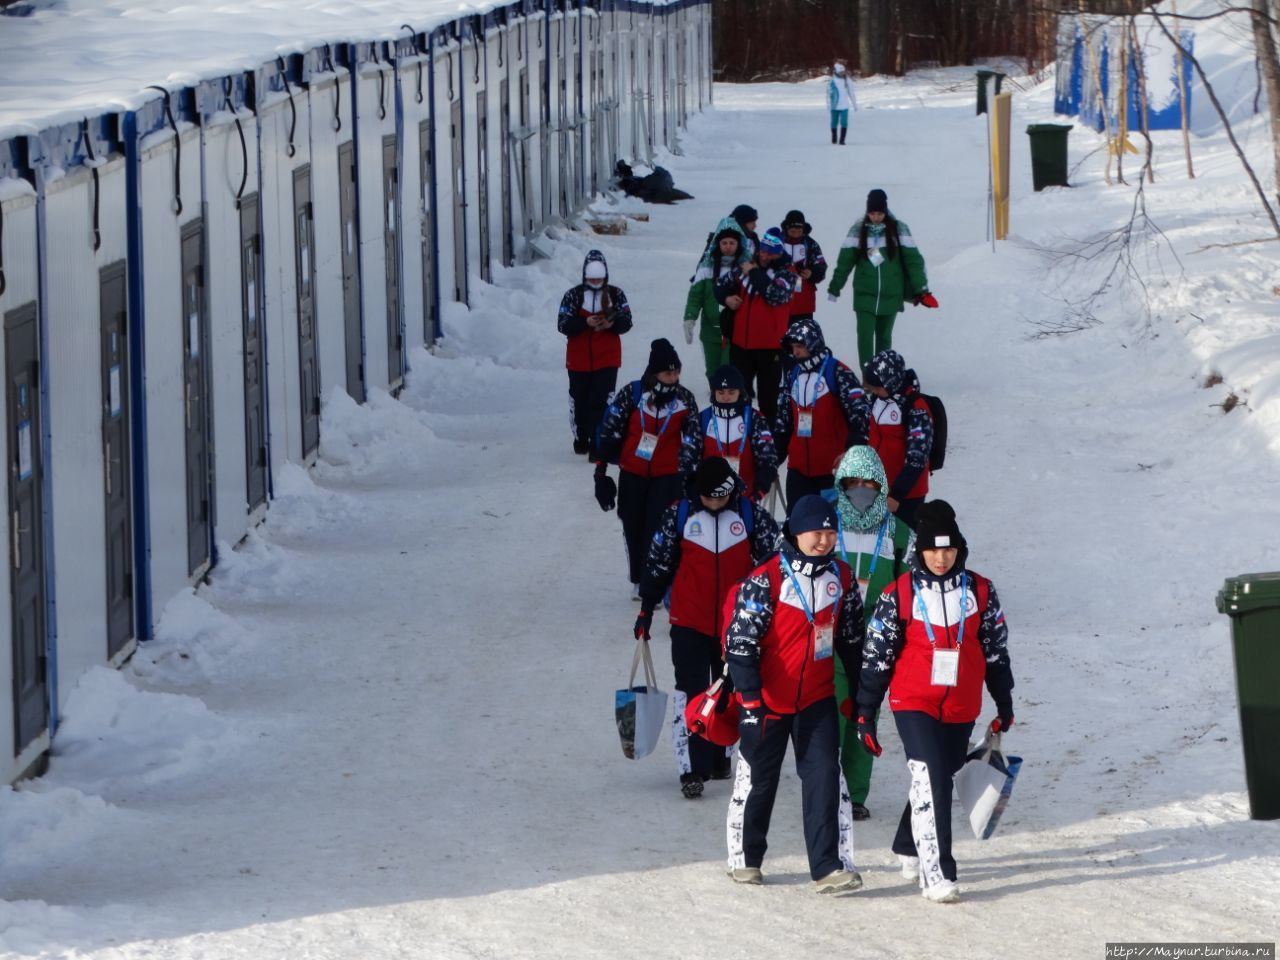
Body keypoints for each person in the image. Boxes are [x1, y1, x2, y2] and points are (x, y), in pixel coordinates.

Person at [854, 500, 1014, 904]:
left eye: (948, 550)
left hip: (961, 704)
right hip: (914, 701)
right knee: (929, 776)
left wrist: (1004, 700)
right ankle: (938, 870)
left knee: (940, 777)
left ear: (959, 549)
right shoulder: (899, 593)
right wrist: (865, 714)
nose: (941, 558)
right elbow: (877, 659)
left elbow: (995, 650)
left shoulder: (980, 591)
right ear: (919, 550)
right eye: (932, 550)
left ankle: (908, 844)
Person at [724, 495, 864, 894]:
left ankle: (827, 867)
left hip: (816, 699)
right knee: (759, 781)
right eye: (815, 532)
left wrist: (859, 695)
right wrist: (750, 699)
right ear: (795, 532)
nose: (823, 540)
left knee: (823, 777)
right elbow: (740, 643)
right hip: (766, 699)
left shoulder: (842, 576)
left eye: (830, 532)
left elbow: (852, 640)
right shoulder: (767, 577)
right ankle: (745, 859)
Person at [634, 456, 780, 798]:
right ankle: (691, 770)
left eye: (720, 497)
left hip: (736, 623)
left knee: (729, 687)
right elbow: (657, 564)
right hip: (689, 620)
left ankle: (721, 754)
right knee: (691, 689)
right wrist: (645, 610)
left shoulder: (749, 515)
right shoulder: (679, 515)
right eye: (708, 497)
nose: (714, 503)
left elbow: (774, 562)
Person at [823, 445, 913, 821]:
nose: (861, 489)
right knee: (831, 719)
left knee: (865, 718)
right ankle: (827, 789)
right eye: (853, 482)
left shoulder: (899, 532)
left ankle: (856, 794)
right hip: (829, 637)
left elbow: (909, 591)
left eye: (869, 483)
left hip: (875, 641)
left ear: (881, 485)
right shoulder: (826, 525)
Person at [594, 338, 700, 598]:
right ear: (655, 373)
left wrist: (692, 476)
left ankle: (656, 581)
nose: (673, 378)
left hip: (668, 476)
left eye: (677, 372)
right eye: (668, 373)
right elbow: (609, 431)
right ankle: (638, 579)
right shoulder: (632, 394)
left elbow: (694, 440)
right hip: (633, 472)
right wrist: (601, 472)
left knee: (658, 528)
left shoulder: (684, 399)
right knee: (632, 524)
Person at [826, 188, 938, 370]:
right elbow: (845, 261)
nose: (876, 217)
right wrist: (835, 286)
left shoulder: (899, 229)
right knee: (865, 336)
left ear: (885, 211)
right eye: (872, 213)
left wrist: (922, 290)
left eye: (879, 213)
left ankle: (882, 375)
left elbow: (913, 260)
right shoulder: (857, 230)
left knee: (884, 337)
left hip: (891, 294)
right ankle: (868, 378)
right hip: (865, 294)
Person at [773, 317, 868, 506]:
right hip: (798, 471)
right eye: (792, 347)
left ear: (813, 342)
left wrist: (851, 453)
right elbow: (783, 422)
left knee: (833, 530)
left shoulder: (838, 372)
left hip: (832, 472)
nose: (795, 352)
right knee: (798, 528)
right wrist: (771, 461)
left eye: (800, 345)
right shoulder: (792, 375)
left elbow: (860, 416)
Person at [714, 227, 795, 424]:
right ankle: (739, 431)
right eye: (763, 251)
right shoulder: (746, 265)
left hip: (770, 347)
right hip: (741, 345)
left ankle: (769, 438)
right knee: (741, 394)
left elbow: (774, 295)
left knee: (768, 398)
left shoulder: (787, 272)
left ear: (779, 253)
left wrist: (755, 272)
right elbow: (719, 285)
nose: (765, 255)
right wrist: (726, 299)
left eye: (771, 252)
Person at [557, 250, 634, 456]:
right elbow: (563, 324)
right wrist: (584, 323)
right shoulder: (573, 295)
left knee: (601, 400)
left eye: (599, 278)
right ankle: (581, 436)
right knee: (579, 399)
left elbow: (627, 322)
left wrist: (610, 323)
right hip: (578, 359)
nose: (595, 281)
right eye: (591, 278)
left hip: (607, 358)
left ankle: (598, 441)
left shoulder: (616, 295)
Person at [682, 364, 778, 502]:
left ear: (740, 391)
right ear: (714, 392)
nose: (726, 397)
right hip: (708, 502)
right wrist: (695, 494)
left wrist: (759, 492)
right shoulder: (701, 419)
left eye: (731, 392)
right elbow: (687, 460)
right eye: (721, 392)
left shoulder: (754, 418)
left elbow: (768, 458)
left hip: (747, 499)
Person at [863, 349, 933, 531]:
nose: (875, 391)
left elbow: (917, 459)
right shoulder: (876, 400)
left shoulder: (916, 409)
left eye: (879, 387)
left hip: (905, 496)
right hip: (875, 489)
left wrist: (897, 495)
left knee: (903, 547)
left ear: (892, 382)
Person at [684, 219, 750, 383]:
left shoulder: (746, 267)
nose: (728, 246)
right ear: (717, 244)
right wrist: (690, 318)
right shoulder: (706, 267)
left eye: (732, 243)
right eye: (724, 242)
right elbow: (695, 295)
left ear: (739, 243)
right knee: (713, 371)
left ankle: (731, 398)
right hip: (710, 330)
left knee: (729, 371)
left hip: (735, 330)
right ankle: (716, 397)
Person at [778, 210, 827, 322]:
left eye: (799, 231)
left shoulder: (810, 244)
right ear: (786, 228)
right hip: (779, 300)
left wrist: (812, 273)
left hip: (803, 303)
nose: (796, 235)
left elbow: (821, 266)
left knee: (801, 337)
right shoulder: (777, 243)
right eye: (792, 231)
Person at [827, 61, 857, 145]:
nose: (842, 73)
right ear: (836, 71)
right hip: (834, 106)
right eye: (840, 72)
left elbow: (851, 93)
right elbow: (828, 94)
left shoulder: (847, 81)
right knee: (834, 122)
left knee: (844, 122)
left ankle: (842, 140)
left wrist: (854, 105)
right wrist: (829, 105)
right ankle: (834, 136)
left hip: (844, 106)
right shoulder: (832, 82)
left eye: (843, 71)